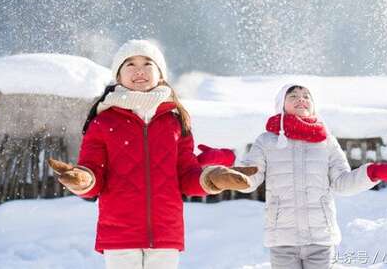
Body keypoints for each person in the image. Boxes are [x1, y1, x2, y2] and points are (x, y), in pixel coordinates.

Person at [48, 39, 256, 269]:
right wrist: (83, 179)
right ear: (118, 76)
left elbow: (186, 176)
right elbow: (94, 172)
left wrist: (213, 178)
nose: (139, 70)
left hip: (166, 232)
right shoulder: (103, 122)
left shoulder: (175, 121)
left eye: (148, 63)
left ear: (161, 74)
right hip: (119, 233)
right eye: (130, 64)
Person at [235, 83, 387, 269]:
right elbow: (251, 176)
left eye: (306, 96)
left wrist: (372, 173)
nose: (301, 99)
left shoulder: (326, 141)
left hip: (320, 239)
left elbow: (341, 183)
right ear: (281, 104)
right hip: (283, 239)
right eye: (293, 96)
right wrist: (232, 176)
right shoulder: (267, 140)